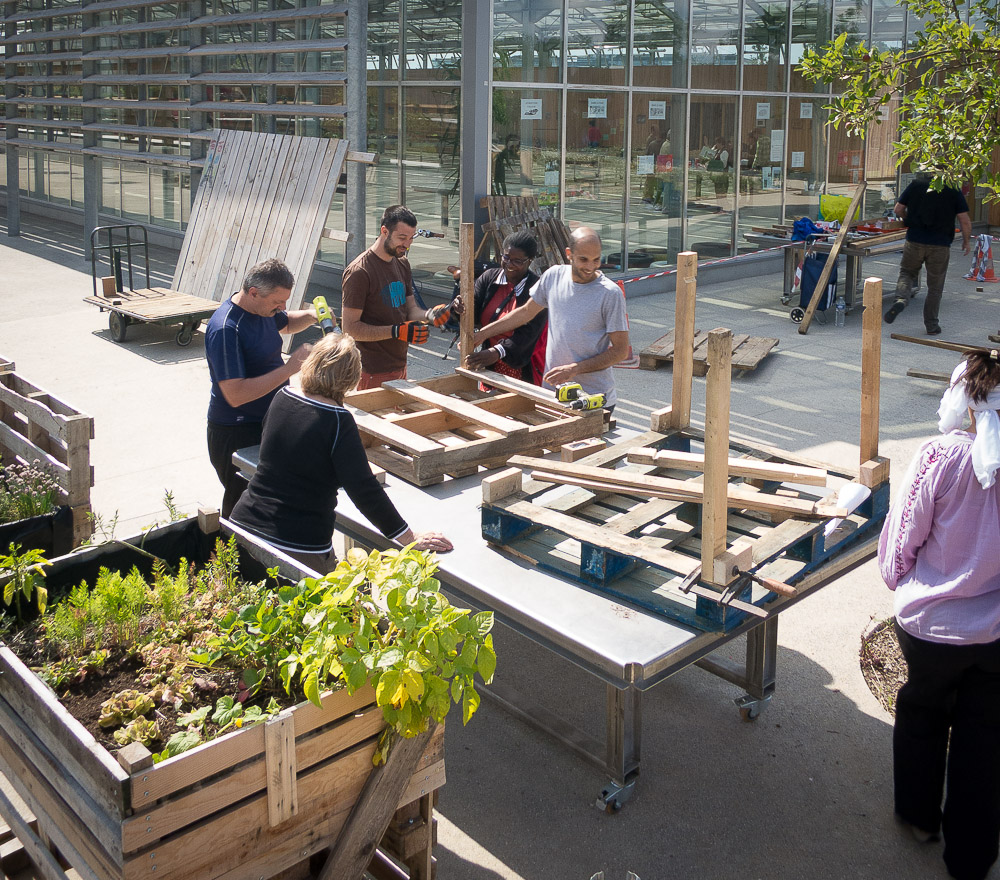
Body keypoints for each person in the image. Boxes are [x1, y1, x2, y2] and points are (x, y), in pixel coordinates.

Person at [878, 348, 1000, 880]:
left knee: (922, 713)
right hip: (996, 636)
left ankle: (920, 817)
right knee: (985, 739)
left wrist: (898, 578)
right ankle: (971, 859)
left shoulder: (940, 456)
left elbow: (905, 534)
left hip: (930, 628)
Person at [230, 333, 453, 575]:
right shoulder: (337, 420)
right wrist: (410, 538)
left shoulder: (282, 397)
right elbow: (364, 490)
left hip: (243, 526)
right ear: (351, 377)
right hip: (296, 545)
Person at [205, 258, 318, 518]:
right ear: (253, 292)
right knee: (244, 505)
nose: (281, 307)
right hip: (236, 432)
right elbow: (235, 395)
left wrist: (311, 316)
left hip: (266, 422)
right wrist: (290, 369)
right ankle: (232, 556)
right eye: (277, 302)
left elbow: (286, 322)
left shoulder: (262, 310)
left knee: (270, 502)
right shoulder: (226, 329)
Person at [471, 227, 629, 410]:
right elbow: (525, 312)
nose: (590, 267)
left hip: (593, 399)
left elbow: (620, 351)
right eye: (583, 259)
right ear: (569, 254)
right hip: (553, 393)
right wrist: (483, 334)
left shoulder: (610, 294)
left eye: (596, 260)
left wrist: (574, 369)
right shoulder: (553, 276)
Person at [341, 205, 449, 390]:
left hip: (399, 364)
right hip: (369, 370)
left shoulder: (402, 263)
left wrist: (429, 315)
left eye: (411, 238)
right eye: (401, 238)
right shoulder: (359, 272)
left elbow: (410, 310)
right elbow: (350, 329)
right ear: (384, 231)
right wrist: (397, 331)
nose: (407, 244)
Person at [884, 173, 972, 334]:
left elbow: (898, 209)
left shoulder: (916, 184)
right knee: (935, 287)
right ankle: (931, 325)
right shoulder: (952, 188)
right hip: (940, 244)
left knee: (907, 273)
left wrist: (910, 219)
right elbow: (964, 220)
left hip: (915, 240)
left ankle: (901, 300)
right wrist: (966, 241)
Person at [465, 231, 547, 384]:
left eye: (517, 261)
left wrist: (498, 351)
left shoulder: (538, 290)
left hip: (523, 367)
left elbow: (528, 335)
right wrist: (460, 307)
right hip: (489, 363)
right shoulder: (489, 278)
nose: (509, 264)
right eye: (506, 257)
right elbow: (473, 314)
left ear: (529, 261)